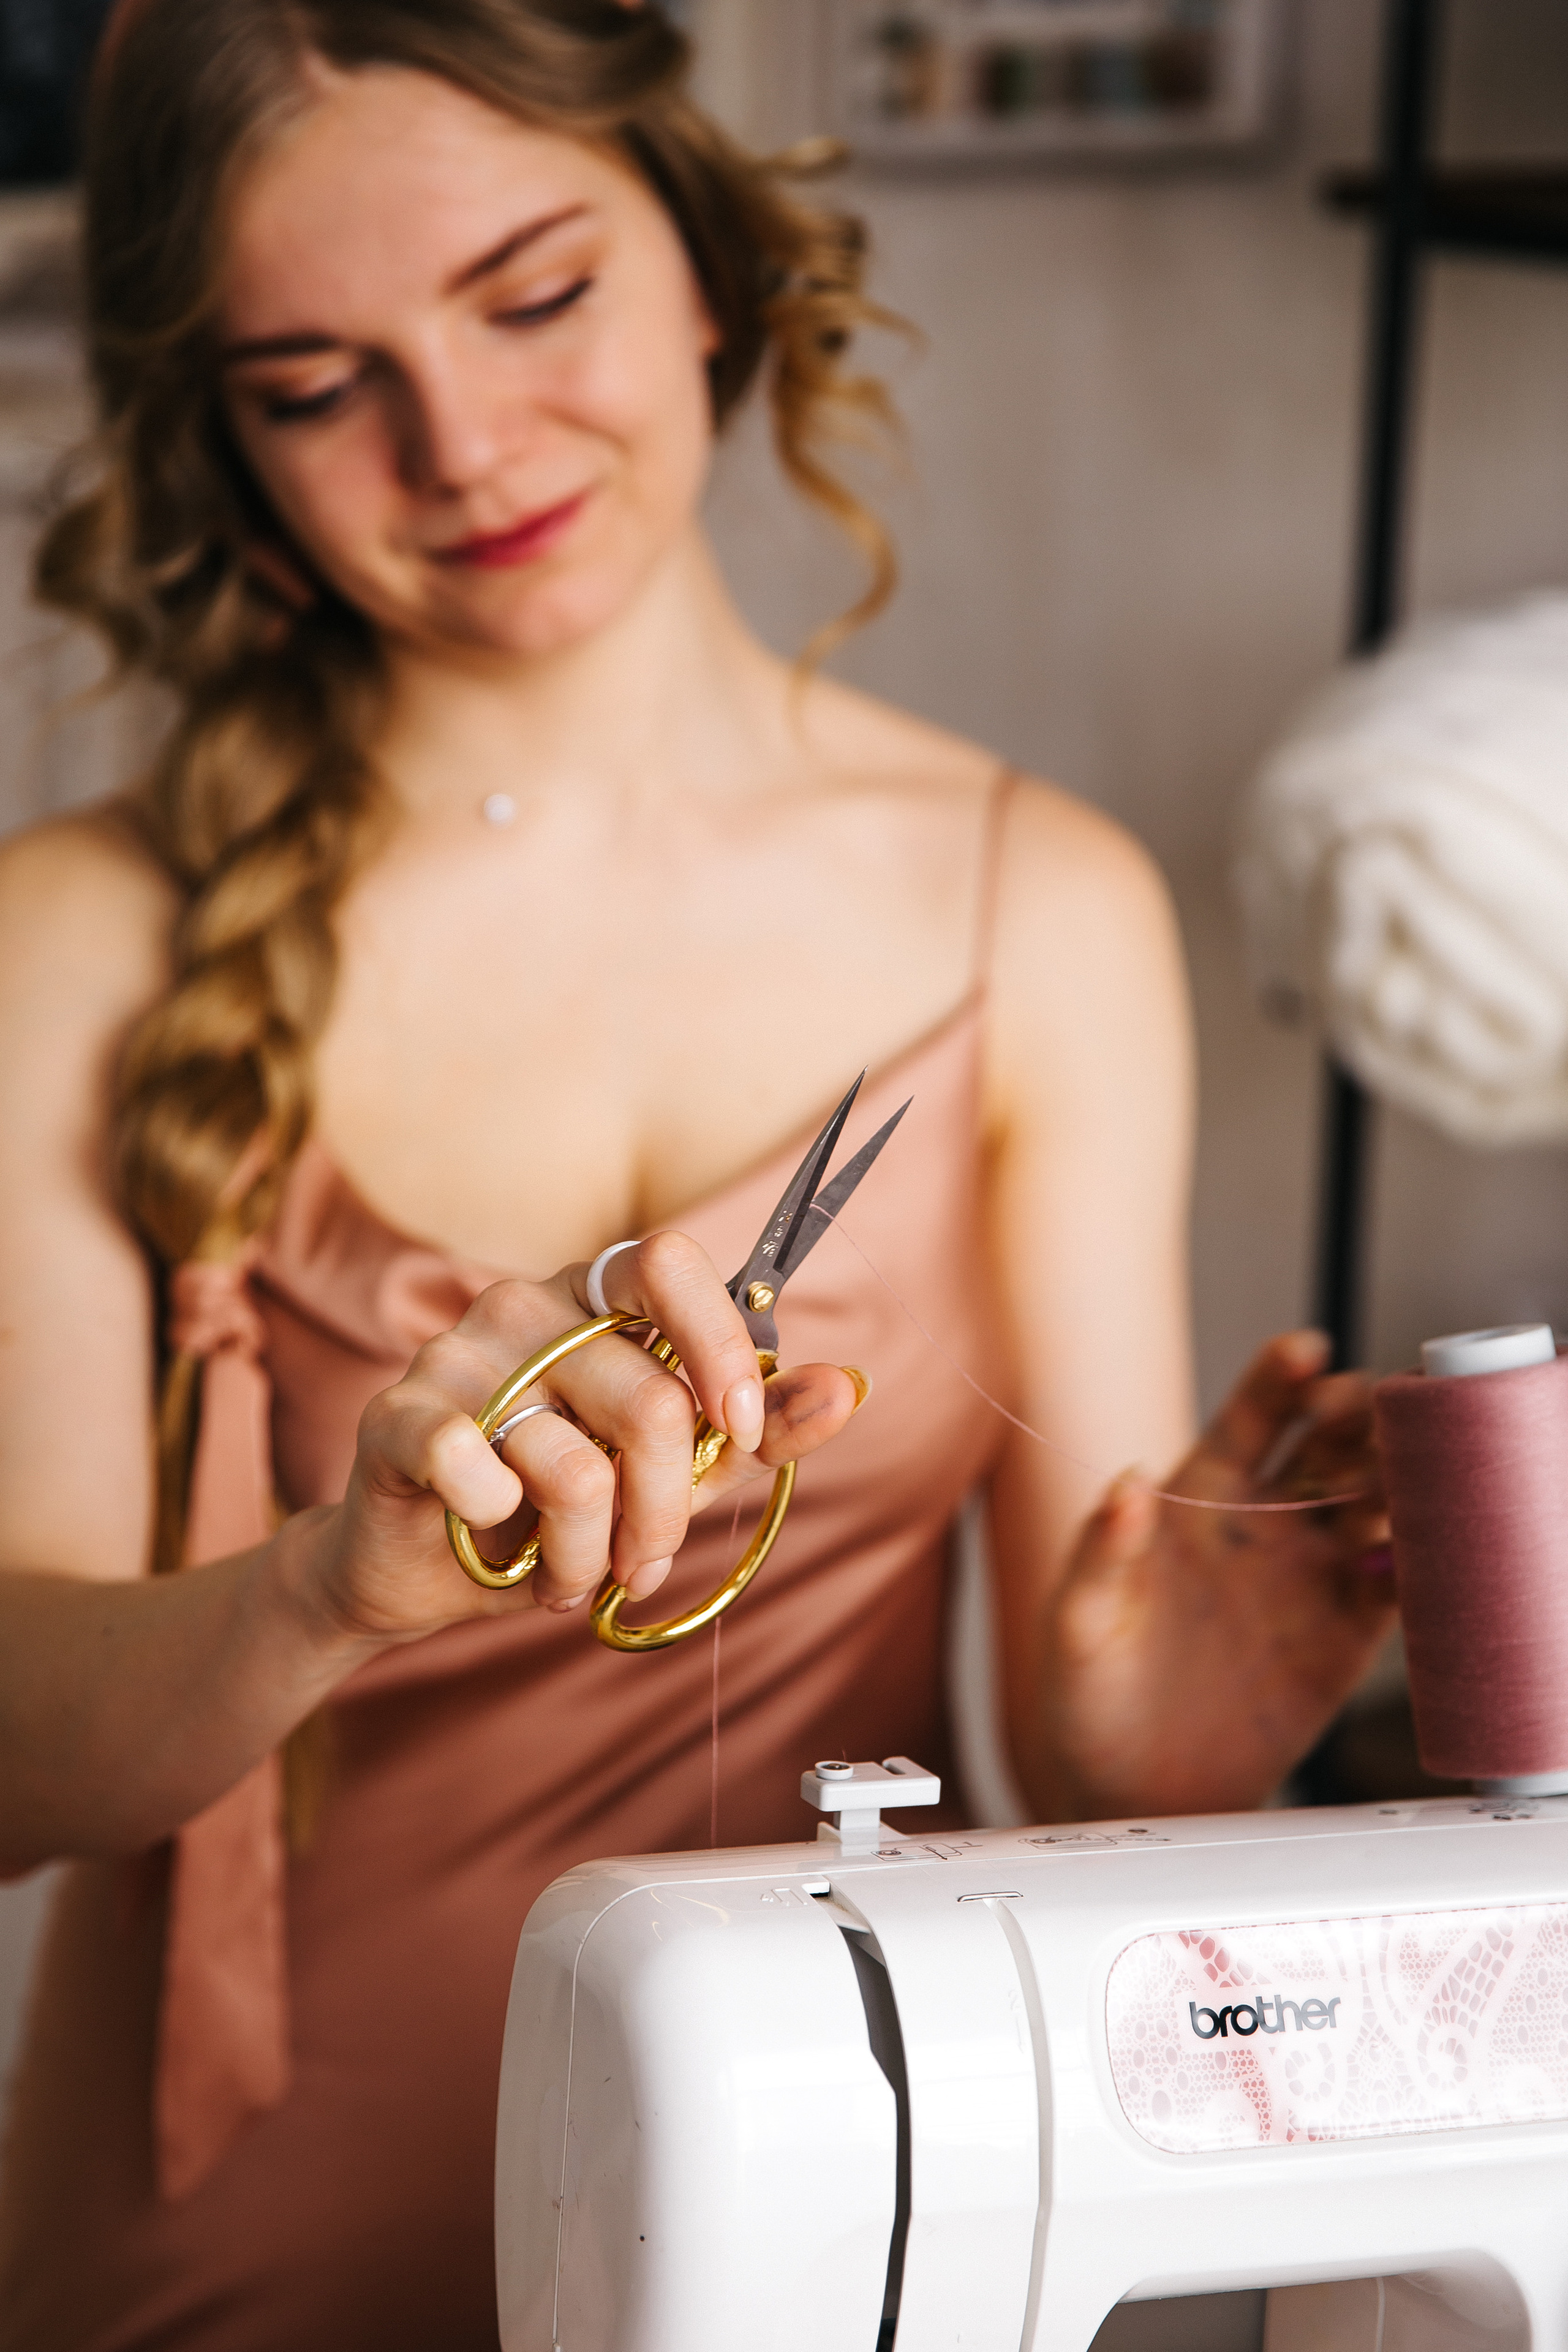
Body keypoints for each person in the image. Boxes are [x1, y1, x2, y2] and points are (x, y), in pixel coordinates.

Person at [0, 2, 1393, 2344]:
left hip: (855, 2245)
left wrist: (1165, 1759)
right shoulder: (72, 941)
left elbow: (1085, 1766)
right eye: (315, 385)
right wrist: (323, 1586)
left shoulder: (1030, 912)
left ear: (714, 258)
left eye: (533, 296)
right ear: (216, 442)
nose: (461, 442)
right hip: (222, 2270)